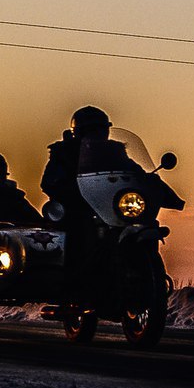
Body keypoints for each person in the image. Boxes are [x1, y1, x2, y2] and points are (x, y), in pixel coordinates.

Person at [42, 107, 133, 292]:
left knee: (139, 222)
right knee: (76, 230)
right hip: (77, 207)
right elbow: (49, 182)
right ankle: (72, 282)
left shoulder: (114, 152)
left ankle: (138, 274)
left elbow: (134, 172)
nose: (98, 134)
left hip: (109, 206)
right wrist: (68, 189)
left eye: (101, 129)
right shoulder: (64, 153)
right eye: (92, 130)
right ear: (79, 132)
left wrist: (154, 184)